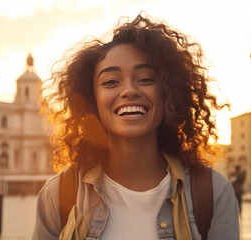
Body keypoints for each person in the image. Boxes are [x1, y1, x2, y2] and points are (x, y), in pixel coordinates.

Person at [33, 13, 239, 240]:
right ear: (92, 100)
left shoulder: (214, 194)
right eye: (111, 82)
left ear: (168, 93)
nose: (129, 90)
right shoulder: (57, 196)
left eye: (145, 79)